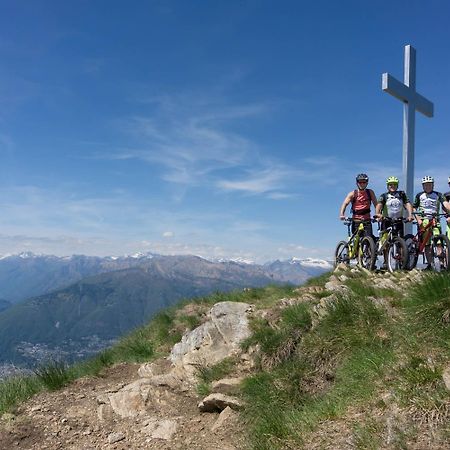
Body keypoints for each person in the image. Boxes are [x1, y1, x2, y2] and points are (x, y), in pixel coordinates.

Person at [375, 176, 413, 269]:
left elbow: (407, 204)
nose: (392, 186)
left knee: (400, 241)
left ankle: (401, 262)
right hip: (386, 220)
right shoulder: (383, 196)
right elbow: (379, 205)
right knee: (386, 242)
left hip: (398, 220)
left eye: (394, 185)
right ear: (388, 186)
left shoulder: (401, 194)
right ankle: (385, 262)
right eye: (390, 185)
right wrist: (378, 214)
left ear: (397, 186)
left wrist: (410, 214)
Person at [413, 176, 450, 269]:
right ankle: (430, 264)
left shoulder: (439, 195)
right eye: (425, 185)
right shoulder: (419, 195)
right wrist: (418, 219)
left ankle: (442, 265)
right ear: (423, 186)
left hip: (435, 220)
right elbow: (414, 207)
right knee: (427, 244)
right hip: (423, 220)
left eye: (429, 184)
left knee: (439, 242)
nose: (427, 186)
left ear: (433, 185)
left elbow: (445, 204)